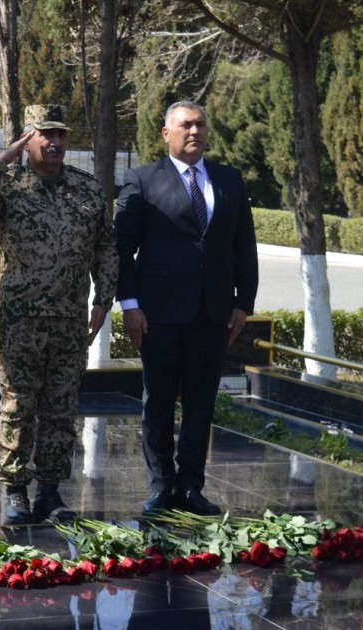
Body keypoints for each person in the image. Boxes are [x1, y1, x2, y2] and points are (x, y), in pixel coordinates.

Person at [0, 104, 118, 525]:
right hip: (19, 320)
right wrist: (3, 159)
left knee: (61, 408)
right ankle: (15, 490)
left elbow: (106, 246)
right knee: (17, 404)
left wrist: (103, 299)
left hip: (69, 319)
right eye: (44, 134)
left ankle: (50, 492)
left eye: (60, 135)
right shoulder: (9, 184)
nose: (54, 142)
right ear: (28, 138)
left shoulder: (87, 189)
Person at [114, 100, 258, 517]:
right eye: (185, 126)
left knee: (201, 403)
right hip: (158, 313)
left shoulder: (229, 180)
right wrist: (129, 304)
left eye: (199, 125)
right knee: (157, 402)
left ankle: (191, 485)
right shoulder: (142, 179)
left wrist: (242, 303)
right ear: (166, 134)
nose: (194, 132)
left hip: (213, 313)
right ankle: (161, 485)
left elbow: (242, 246)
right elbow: (123, 248)